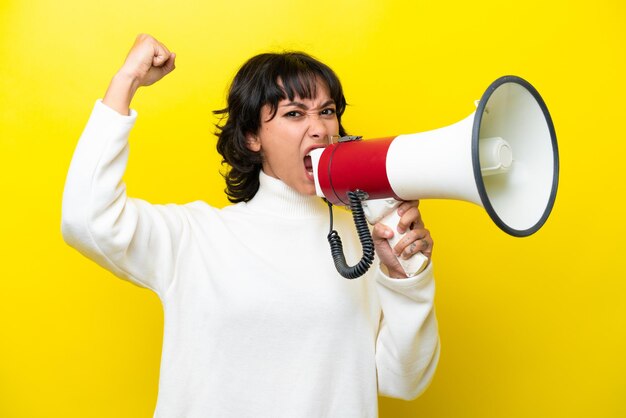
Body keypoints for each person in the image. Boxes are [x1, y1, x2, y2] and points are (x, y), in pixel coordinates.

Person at [62, 34, 439, 418]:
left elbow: (403, 381)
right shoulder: (196, 237)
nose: (320, 129)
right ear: (251, 136)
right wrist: (126, 80)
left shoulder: (367, 241)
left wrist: (405, 279)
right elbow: (87, 219)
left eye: (327, 111)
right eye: (294, 113)